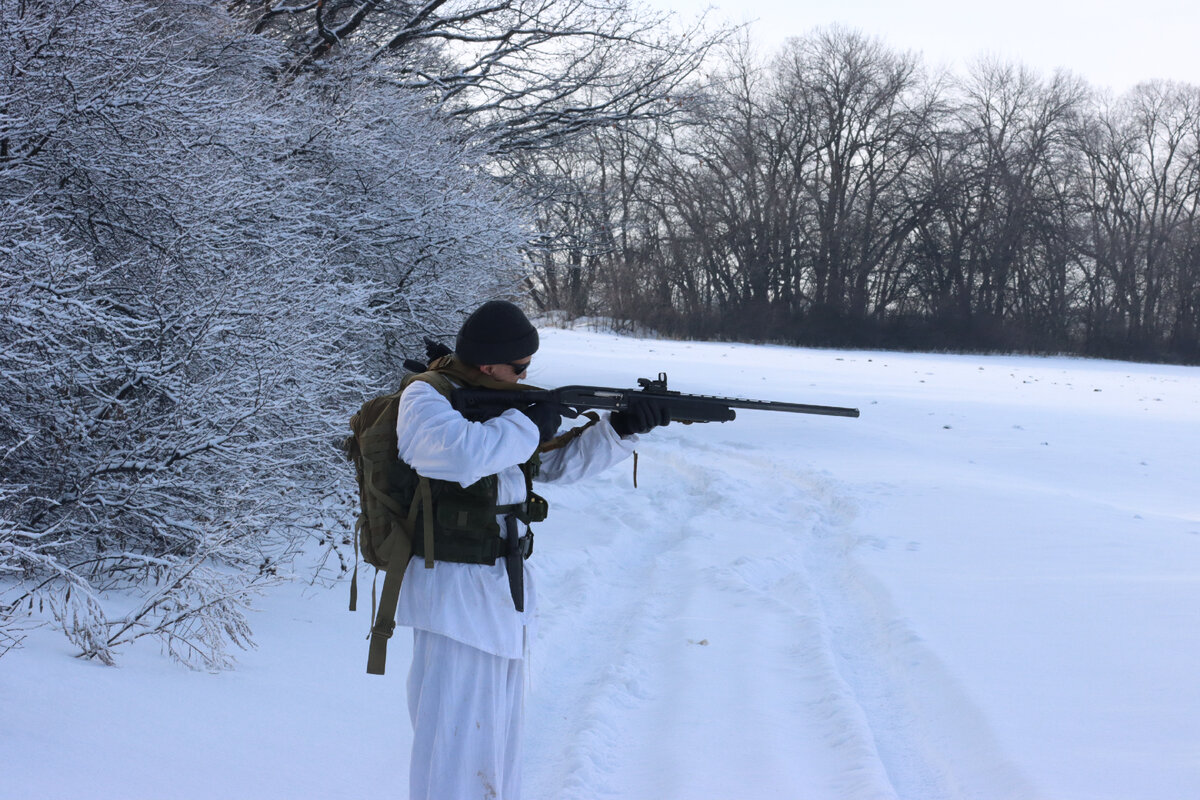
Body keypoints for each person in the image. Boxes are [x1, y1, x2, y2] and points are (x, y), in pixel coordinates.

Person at [393, 300, 669, 800]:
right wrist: (531, 424)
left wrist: (620, 429)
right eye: (520, 367)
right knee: (455, 749)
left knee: (496, 745)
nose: (525, 376)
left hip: (500, 591)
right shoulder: (426, 397)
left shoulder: (497, 404)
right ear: (486, 364)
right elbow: (452, 456)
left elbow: (547, 467)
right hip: (453, 595)